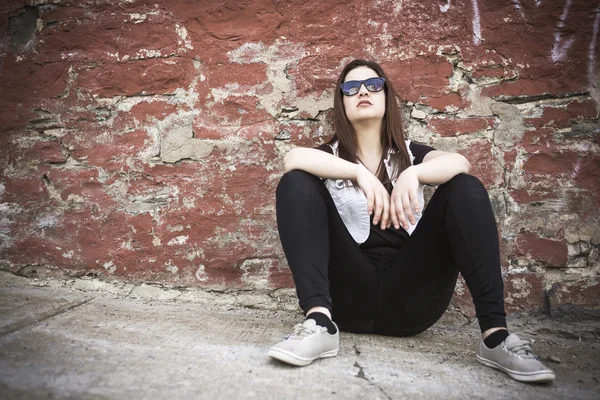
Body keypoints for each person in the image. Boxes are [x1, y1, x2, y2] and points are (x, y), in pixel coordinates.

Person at [267, 59, 555, 384]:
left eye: (373, 85)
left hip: (411, 299)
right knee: (295, 182)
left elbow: (460, 162)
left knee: (465, 187)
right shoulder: (329, 157)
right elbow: (293, 158)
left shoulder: (411, 153)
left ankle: (496, 336)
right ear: (342, 102)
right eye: (351, 87)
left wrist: (413, 173)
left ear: (386, 96)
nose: (362, 91)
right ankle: (319, 323)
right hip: (347, 297)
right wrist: (358, 172)